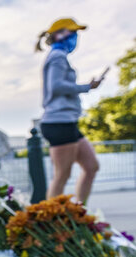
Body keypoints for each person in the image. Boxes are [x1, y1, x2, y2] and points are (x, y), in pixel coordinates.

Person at [36, 18, 103, 203]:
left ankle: (79, 212)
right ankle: (50, 222)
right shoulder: (57, 56)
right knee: (62, 176)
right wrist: (86, 87)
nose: (75, 36)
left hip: (67, 121)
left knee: (91, 166)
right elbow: (56, 86)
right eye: (72, 32)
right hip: (58, 122)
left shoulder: (58, 56)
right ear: (59, 34)